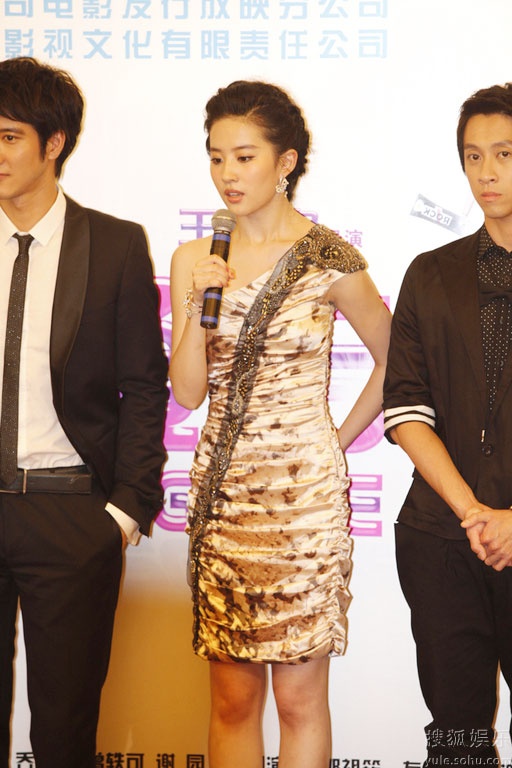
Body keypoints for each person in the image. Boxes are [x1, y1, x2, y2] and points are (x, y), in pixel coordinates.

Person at [169, 80, 391, 768]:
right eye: (216, 158)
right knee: (232, 701)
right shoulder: (195, 258)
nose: (227, 175)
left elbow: (397, 362)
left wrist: (333, 442)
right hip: (226, 501)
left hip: (302, 508)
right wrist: (197, 303)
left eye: (244, 157)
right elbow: (187, 391)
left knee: (299, 702)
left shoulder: (330, 258)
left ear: (286, 161)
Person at [0, 57, 168, 768]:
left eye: (9, 136)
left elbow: (145, 385)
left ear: (54, 142)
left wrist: (124, 510)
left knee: (64, 732)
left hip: (70, 511)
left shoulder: (113, 244)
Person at [383, 82, 512, 767]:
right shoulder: (432, 274)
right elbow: (405, 407)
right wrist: (475, 514)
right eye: (473, 156)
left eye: (505, 154)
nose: (487, 172)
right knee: (458, 742)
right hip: (442, 537)